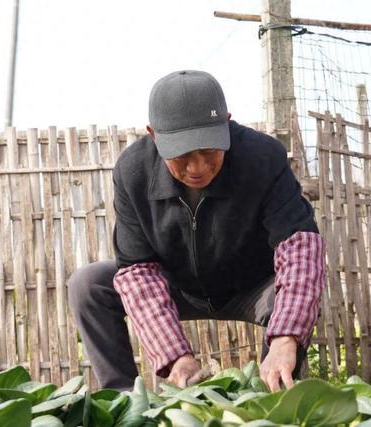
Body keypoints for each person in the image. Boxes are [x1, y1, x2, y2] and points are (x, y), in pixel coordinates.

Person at [68, 70, 325, 392]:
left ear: (227, 124)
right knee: (89, 284)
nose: (198, 167)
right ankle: (121, 401)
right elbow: (137, 270)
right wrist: (174, 356)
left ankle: (273, 397)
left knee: (287, 298)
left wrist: (286, 337)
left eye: (209, 151)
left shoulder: (263, 157)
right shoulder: (133, 171)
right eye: (183, 155)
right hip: (177, 286)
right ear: (154, 135)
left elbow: (300, 247)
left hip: (252, 287)